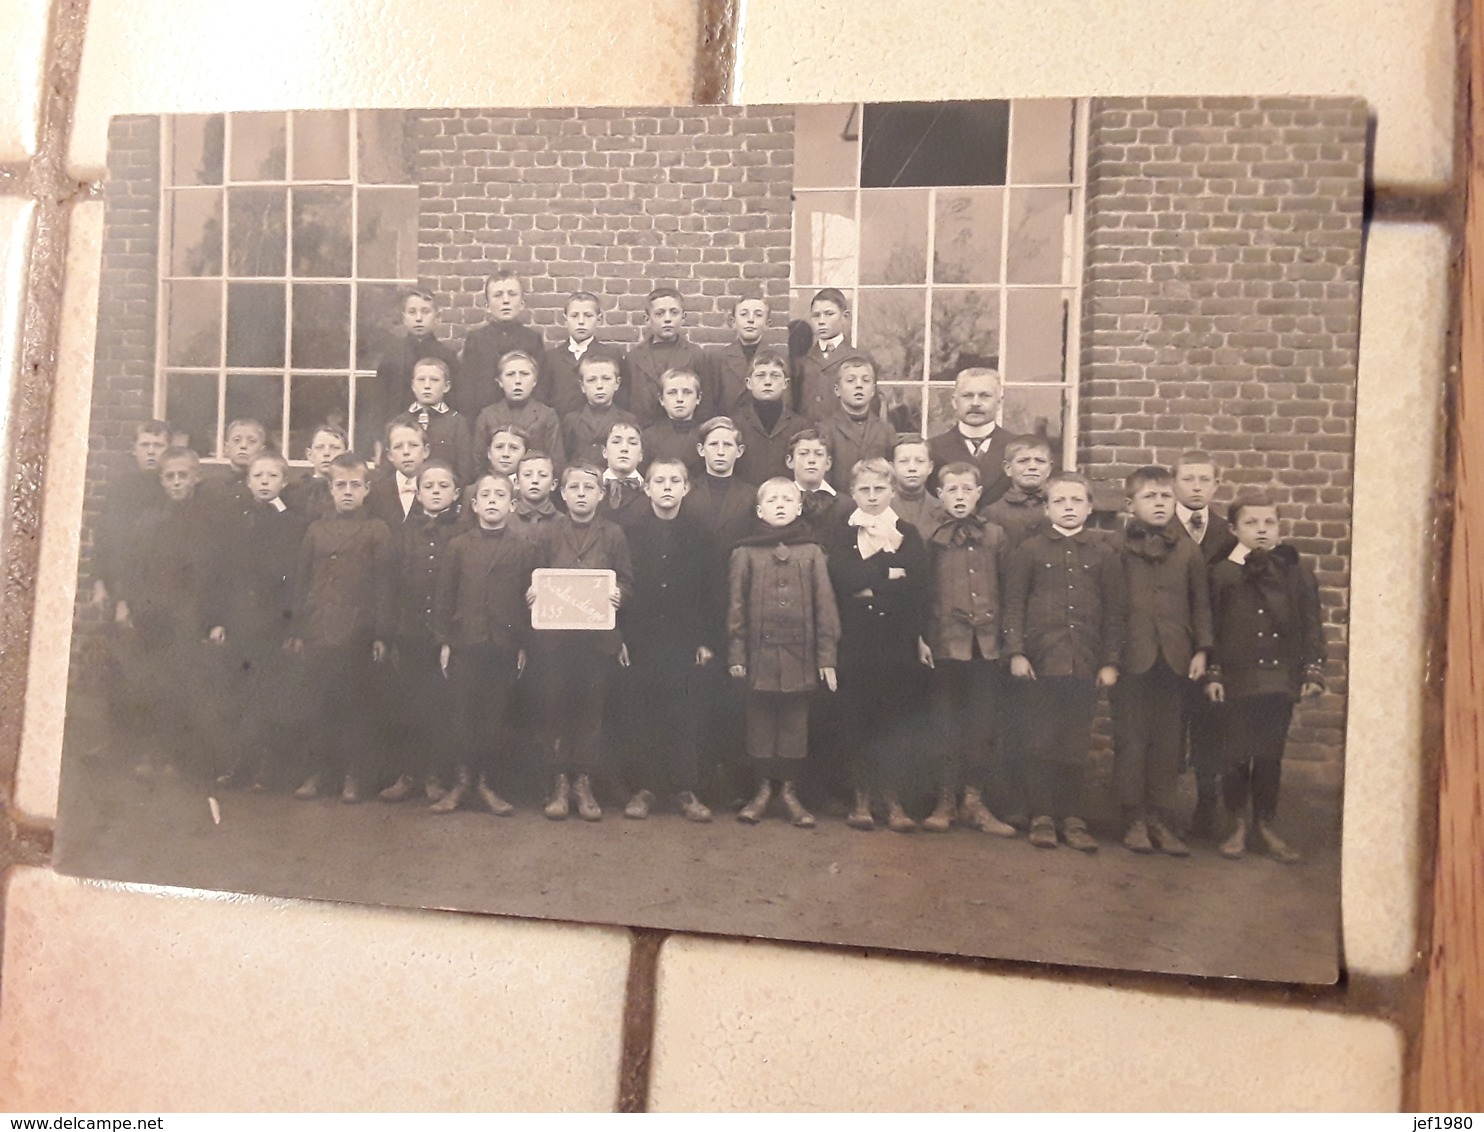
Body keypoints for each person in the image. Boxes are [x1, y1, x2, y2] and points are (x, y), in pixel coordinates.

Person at [1003, 471, 1124, 852]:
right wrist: (1017, 652)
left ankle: (1073, 816)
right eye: (1060, 501)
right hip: (1040, 660)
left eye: (1076, 501)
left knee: (1075, 741)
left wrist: (1109, 661)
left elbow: (1115, 613)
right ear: (1047, 507)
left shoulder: (1105, 554)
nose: (1068, 508)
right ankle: (1041, 815)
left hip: (1085, 661)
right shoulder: (1030, 550)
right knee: (1039, 737)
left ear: (1089, 507)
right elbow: (1014, 605)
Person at [1204, 491, 1325, 863]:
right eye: (1251, 523)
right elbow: (1210, 626)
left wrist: (1312, 669)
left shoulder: (1297, 570)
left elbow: (1310, 622)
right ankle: (1236, 823)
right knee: (1235, 753)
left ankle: (1265, 825)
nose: (1261, 530)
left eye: (1269, 522)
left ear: (1279, 526)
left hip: (1279, 676)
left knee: (1270, 754)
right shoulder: (1222, 572)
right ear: (1233, 528)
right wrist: (1214, 673)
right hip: (1238, 676)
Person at [826, 458, 932, 833]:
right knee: (858, 715)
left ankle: (893, 798)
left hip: (897, 639)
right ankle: (861, 797)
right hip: (855, 638)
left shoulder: (909, 533)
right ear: (853, 493)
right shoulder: (841, 533)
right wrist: (890, 573)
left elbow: (917, 585)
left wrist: (873, 582)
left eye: (879, 489)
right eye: (864, 490)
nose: (872, 497)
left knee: (894, 717)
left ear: (892, 491)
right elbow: (842, 577)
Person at [728, 478, 840, 827]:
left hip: (800, 655)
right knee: (759, 722)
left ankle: (790, 792)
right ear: (760, 511)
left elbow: (826, 607)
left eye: (787, 499)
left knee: (794, 723)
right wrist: (736, 654)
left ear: (799, 507)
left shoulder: (812, 552)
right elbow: (735, 608)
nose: (780, 504)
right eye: (772, 500)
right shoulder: (744, 552)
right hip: (759, 655)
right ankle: (761, 791)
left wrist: (826, 658)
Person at [1113, 465, 1213, 856]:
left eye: (1165, 497)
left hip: (1175, 656)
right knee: (1131, 737)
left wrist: (1202, 649)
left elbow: (1200, 603)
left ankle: (1161, 816)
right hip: (1131, 656)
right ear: (1131, 503)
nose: (1159, 503)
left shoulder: (1187, 549)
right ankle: (1133, 817)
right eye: (1149, 497)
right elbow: (1112, 605)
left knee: (1169, 741)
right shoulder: (1117, 548)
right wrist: (1112, 655)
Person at [527, 463, 634, 822]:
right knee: (554, 708)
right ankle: (558, 782)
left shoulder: (613, 534)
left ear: (601, 494)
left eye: (589, 488)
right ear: (563, 493)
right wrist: (532, 593)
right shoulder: (546, 532)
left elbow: (628, 581)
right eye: (574, 487)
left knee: (591, 712)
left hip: (596, 641)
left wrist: (620, 594)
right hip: (555, 641)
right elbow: (533, 577)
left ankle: (584, 783)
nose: (581, 494)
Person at [433, 472, 542, 816]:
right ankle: (462, 783)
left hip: (504, 644)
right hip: (467, 642)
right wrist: (445, 642)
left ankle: (488, 784)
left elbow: (530, 600)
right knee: (463, 715)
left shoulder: (524, 547)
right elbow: (444, 597)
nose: (492, 500)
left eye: (500, 495)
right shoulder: (459, 546)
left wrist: (524, 643)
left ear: (512, 505)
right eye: (486, 495)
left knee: (495, 716)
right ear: (475, 503)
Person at [288, 454, 393, 804]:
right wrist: (299, 628)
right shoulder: (315, 530)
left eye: (355, 485)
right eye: (341, 485)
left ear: (366, 489)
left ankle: (353, 776)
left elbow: (383, 585)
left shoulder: (377, 530)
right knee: (319, 703)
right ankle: (318, 772)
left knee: (355, 705)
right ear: (330, 489)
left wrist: (380, 633)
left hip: (357, 631)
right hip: (319, 629)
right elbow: (302, 582)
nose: (347, 492)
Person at [616, 458, 715, 823]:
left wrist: (705, 641)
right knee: (641, 713)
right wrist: (621, 636)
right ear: (648, 488)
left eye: (676, 480)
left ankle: (685, 789)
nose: (668, 487)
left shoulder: (700, 534)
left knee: (685, 714)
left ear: (687, 488)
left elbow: (711, 590)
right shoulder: (631, 531)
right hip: (641, 638)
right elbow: (622, 585)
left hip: (683, 640)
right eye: (660, 481)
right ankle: (644, 788)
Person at [205, 450, 309, 790]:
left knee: (272, 695)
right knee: (238, 694)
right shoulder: (236, 519)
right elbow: (221, 573)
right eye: (258, 477)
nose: (265, 483)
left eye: (272, 477)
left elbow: (298, 578)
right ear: (248, 482)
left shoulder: (294, 523)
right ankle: (238, 765)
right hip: (240, 621)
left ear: (284, 480)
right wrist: (219, 621)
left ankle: (268, 769)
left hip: (274, 623)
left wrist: (294, 626)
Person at [922, 462, 1016, 836]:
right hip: (945, 643)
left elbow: (1010, 590)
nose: (960, 497)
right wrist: (924, 638)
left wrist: (1009, 639)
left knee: (982, 723)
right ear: (940, 495)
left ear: (979, 494)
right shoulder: (931, 538)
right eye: (952, 490)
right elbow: (923, 592)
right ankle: (944, 800)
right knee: (944, 721)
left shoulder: (996, 537)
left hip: (987, 645)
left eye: (966, 490)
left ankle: (975, 802)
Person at [112, 446, 214, 777]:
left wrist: (208, 616)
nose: (176, 483)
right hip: (151, 611)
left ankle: (178, 757)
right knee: (150, 683)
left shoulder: (206, 519)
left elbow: (214, 571)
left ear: (196, 478)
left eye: (183, 476)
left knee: (183, 684)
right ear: (162, 481)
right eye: (170, 477)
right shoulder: (149, 519)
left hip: (188, 614)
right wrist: (126, 602)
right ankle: (151, 753)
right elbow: (132, 564)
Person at [380, 459, 464, 805]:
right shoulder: (404, 533)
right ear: (417, 492)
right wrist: (391, 632)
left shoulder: (463, 534)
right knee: (409, 704)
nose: (435, 492)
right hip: (410, 631)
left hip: (448, 635)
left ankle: (436, 775)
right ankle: (408, 774)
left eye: (443, 486)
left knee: (443, 705)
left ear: (456, 493)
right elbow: (390, 584)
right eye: (428, 486)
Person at [1170, 450, 1239, 838]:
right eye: (1188, 479)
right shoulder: (1160, 528)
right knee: (1168, 726)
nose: (1196, 487)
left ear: (1215, 485)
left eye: (1204, 480)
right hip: (1171, 641)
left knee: (1211, 726)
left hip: (1214, 645)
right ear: (1174, 483)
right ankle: (1164, 809)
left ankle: (1206, 809)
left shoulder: (1229, 535)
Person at [369, 287, 459, 453]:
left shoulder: (447, 357)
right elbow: (378, 403)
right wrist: (379, 441)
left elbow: (455, 402)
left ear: (437, 318)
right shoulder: (391, 357)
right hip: (398, 437)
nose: (419, 318)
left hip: (437, 435)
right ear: (404, 318)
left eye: (425, 312)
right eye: (412, 312)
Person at [454, 269, 546, 418]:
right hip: (485, 421)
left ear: (522, 303)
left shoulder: (532, 339)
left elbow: (541, 388)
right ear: (487, 305)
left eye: (512, 294)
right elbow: (467, 392)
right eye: (497, 295)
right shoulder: (476, 340)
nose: (505, 301)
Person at [622, 286, 713, 427]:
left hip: (684, 432)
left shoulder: (695, 355)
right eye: (659, 314)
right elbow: (626, 401)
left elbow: (706, 404)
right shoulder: (634, 357)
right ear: (647, 318)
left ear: (683, 317)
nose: (667, 319)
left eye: (674, 313)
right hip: (644, 432)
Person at [927, 368, 1011, 502]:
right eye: (967, 396)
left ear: (999, 403)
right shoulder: (932, 450)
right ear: (954, 402)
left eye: (985, 396)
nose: (975, 403)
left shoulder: (1016, 449)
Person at [473, 350, 565, 473]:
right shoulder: (487, 415)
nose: (517, 381)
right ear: (500, 381)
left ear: (534, 381)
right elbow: (478, 460)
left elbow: (556, 461)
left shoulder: (547, 415)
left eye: (524, 374)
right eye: (510, 374)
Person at [816, 351, 893, 493]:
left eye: (866, 380)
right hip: (839, 508)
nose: (859, 386)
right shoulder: (825, 430)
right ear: (837, 390)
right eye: (851, 380)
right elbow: (822, 477)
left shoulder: (885, 430)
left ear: (873, 391)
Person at [733, 348, 810, 485]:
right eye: (760, 375)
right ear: (749, 383)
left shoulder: (799, 426)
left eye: (775, 375)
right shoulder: (735, 424)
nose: (768, 382)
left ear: (785, 383)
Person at [544, 291, 624, 417]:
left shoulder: (611, 355)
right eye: (575, 316)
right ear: (565, 320)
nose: (581, 322)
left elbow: (620, 398)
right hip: (560, 427)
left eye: (588, 315)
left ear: (599, 319)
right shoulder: (552, 357)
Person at [406, 356, 475, 485]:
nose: (427, 385)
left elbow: (464, 471)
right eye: (421, 380)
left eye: (434, 380)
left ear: (446, 386)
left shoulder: (457, 422)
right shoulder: (400, 422)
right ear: (413, 385)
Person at [561, 354, 638, 468]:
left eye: (606, 379)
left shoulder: (627, 419)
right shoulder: (572, 421)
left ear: (617, 383)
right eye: (591, 380)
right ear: (582, 386)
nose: (599, 386)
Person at [982, 434, 1053, 551]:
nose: (1032, 467)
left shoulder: (1059, 506)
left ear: (1049, 469)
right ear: (1008, 468)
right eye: (1023, 461)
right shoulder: (992, 513)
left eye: (1040, 461)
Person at [705, 295, 773, 416]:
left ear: (767, 324)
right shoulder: (717, 359)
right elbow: (709, 405)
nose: (750, 320)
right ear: (733, 322)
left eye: (758, 315)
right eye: (744, 314)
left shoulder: (779, 359)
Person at [794, 288, 852, 422]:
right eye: (816, 315)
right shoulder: (801, 363)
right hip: (808, 438)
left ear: (845, 317)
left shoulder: (859, 359)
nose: (821, 321)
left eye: (829, 314)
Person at [640, 367, 706, 477]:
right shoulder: (648, 437)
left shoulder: (706, 435)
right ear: (661, 399)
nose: (679, 398)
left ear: (698, 398)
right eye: (672, 393)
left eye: (687, 392)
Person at [366, 416, 429, 528]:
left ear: (425, 451)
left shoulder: (435, 488)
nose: (406, 452)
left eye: (413, 445)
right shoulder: (376, 491)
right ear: (390, 455)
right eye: (398, 447)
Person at [281, 424, 347, 522]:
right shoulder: (295, 491)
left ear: (346, 454)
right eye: (320, 447)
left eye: (335, 448)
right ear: (310, 455)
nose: (327, 453)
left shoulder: (350, 490)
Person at [888, 434, 946, 541]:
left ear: (930, 467)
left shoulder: (943, 509)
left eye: (919, 461)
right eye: (903, 461)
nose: (912, 468)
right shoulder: (882, 507)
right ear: (892, 467)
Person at [785, 428, 842, 538]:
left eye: (819, 454)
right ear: (790, 461)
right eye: (803, 453)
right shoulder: (779, 504)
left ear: (828, 463)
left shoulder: (844, 506)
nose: (811, 460)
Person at [598, 422, 649, 531]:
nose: (624, 449)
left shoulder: (649, 491)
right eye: (616, 442)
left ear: (641, 455)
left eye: (633, 443)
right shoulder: (592, 487)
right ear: (604, 452)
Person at [511, 450, 561, 538]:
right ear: (517, 482)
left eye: (542, 475)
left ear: (553, 484)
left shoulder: (563, 522)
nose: (535, 481)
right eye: (527, 475)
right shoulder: (506, 521)